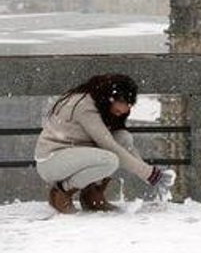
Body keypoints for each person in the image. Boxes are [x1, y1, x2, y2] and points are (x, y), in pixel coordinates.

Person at [34, 74, 177, 213]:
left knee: (123, 138)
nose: (123, 112)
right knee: (110, 160)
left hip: (74, 154)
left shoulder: (100, 105)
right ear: (110, 98)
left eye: (128, 106)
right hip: (52, 160)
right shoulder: (85, 106)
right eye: (120, 107)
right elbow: (109, 146)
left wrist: (149, 173)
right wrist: (148, 173)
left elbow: (121, 145)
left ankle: (92, 194)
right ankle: (62, 190)